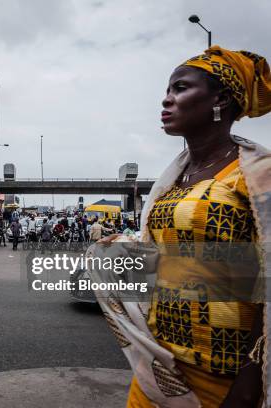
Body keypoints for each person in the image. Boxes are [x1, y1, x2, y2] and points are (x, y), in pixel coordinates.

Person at [98, 46, 271, 408]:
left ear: (220, 98)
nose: (166, 99)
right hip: (161, 369)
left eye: (180, 88)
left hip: (225, 379)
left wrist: (248, 383)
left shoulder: (256, 177)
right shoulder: (174, 179)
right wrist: (128, 251)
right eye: (167, 90)